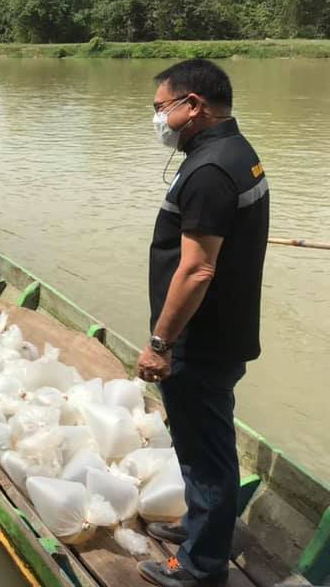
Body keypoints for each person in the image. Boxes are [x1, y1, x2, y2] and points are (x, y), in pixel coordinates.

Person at [135, 59, 269, 587]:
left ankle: (201, 565)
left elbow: (196, 269)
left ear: (194, 106)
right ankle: (199, 527)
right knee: (198, 441)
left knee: (206, 451)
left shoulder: (211, 171)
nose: (158, 120)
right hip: (224, 328)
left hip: (200, 337)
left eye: (161, 109)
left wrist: (159, 343)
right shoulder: (238, 155)